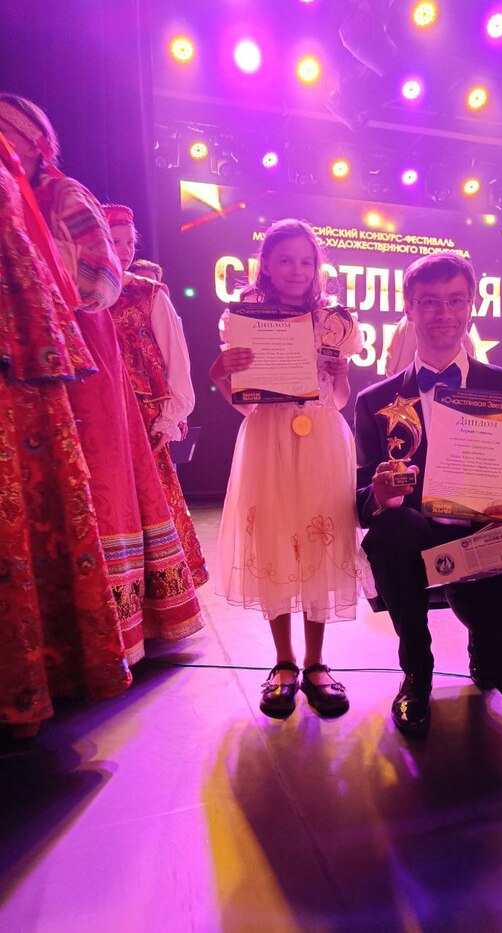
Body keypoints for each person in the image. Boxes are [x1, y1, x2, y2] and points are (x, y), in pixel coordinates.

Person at [0, 94, 203, 662]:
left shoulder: (64, 198)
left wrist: (33, 273)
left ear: (33, 145)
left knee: (107, 485)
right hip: (31, 362)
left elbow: (100, 286)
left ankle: (119, 624)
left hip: (85, 369)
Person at [354, 252, 502, 735]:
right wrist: (379, 496)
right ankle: (416, 668)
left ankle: (482, 635)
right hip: (415, 543)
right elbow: (360, 501)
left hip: (489, 544)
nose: (444, 313)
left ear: (472, 306)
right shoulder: (375, 402)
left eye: (455, 300)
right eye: (429, 302)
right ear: (408, 308)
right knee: (393, 528)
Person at [0, 136, 132, 736]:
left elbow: (102, 281)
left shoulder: (63, 194)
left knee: (85, 482)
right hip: (44, 346)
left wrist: (50, 287)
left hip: (64, 344)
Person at [210, 219, 362, 719]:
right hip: (268, 440)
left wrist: (341, 376)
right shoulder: (244, 317)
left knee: (320, 543)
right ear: (267, 265)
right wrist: (220, 376)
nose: (297, 270)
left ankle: (317, 663)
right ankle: (283, 662)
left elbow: (338, 400)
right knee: (275, 542)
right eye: (286, 260)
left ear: (317, 267)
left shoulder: (335, 321)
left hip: (321, 440)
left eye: (306, 261)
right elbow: (247, 403)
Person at [103, 203, 208, 587]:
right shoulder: (75, 293)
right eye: (114, 241)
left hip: (141, 417)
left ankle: (158, 594)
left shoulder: (147, 293)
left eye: (129, 243)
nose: (124, 250)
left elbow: (176, 359)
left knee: (150, 501)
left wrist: (170, 417)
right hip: (98, 416)